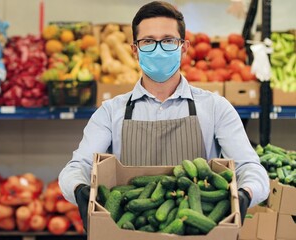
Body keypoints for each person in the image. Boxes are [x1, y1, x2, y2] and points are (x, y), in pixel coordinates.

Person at [58, 1, 269, 231]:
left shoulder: (216, 108)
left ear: (184, 47)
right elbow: (77, 167)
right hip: (131, 230)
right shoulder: (110, 112)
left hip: (196, 231)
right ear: (135, 50)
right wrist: (79, 188)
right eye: (148, 41)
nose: (158, 49)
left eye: (168, 40)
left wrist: (245, 193)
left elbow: (251, 168)